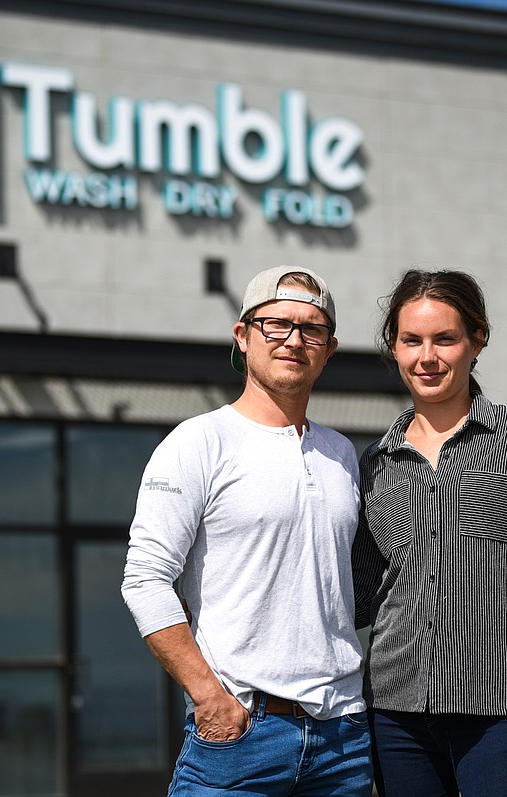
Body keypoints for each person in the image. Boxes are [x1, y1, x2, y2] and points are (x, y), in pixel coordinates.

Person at [353, 269, 507, 796]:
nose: (427, 357)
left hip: (500, 709)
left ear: (477, 341)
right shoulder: (377, 462)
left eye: (445, 339)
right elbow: (358, 596)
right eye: (411, 341)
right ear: (394, 349)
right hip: (396, 717)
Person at [121, 266, 373, 796]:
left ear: (329, 349)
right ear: (243, 336)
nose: (294, 341)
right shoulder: (198, 442)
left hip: (343, 740)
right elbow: (145, 580)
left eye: (312, 329)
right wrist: (209, 697)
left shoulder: (342, 454)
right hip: (239, 734)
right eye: (276, 325)